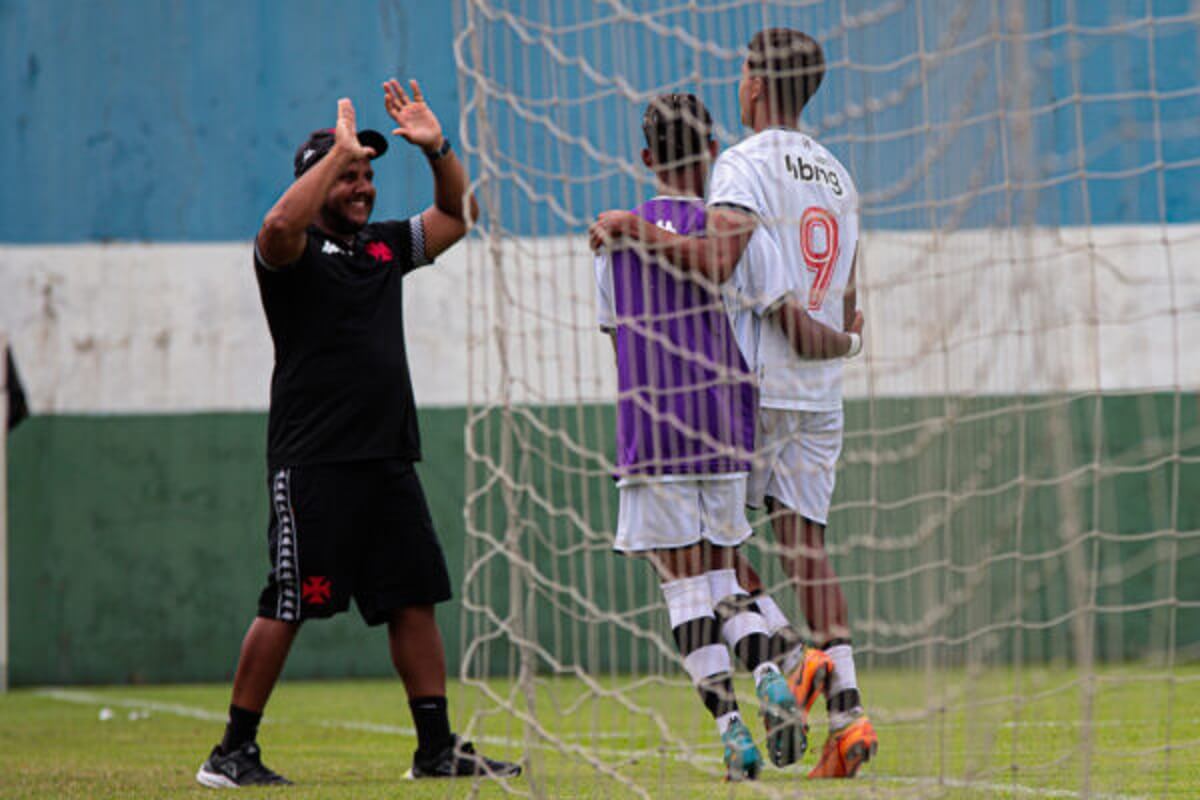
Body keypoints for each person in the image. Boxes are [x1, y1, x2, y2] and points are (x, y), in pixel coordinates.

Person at [195, 80, 521, 788]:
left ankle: (435, 749)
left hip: (388, 458)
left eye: (369, 175)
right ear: (317, 182)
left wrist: (438, 151)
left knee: (412, 599)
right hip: (315, 462)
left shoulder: (382, 247)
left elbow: (459, 216)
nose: (364, 187)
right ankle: (231, 752)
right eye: (349, 175)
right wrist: (330, 157)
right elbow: (277, 227)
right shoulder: (289, 252)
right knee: (290, 601)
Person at [588, 29, 877, 779]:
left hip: (734, 395)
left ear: (754, 84)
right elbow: (846, 302)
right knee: (800, 543)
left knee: (698, 571)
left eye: (744, 69)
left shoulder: (741, 171)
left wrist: (630, 229)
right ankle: (842, 702)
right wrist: (845, 347)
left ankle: (775, 667)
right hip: (811, 392)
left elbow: (718, 268)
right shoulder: (840, 178)